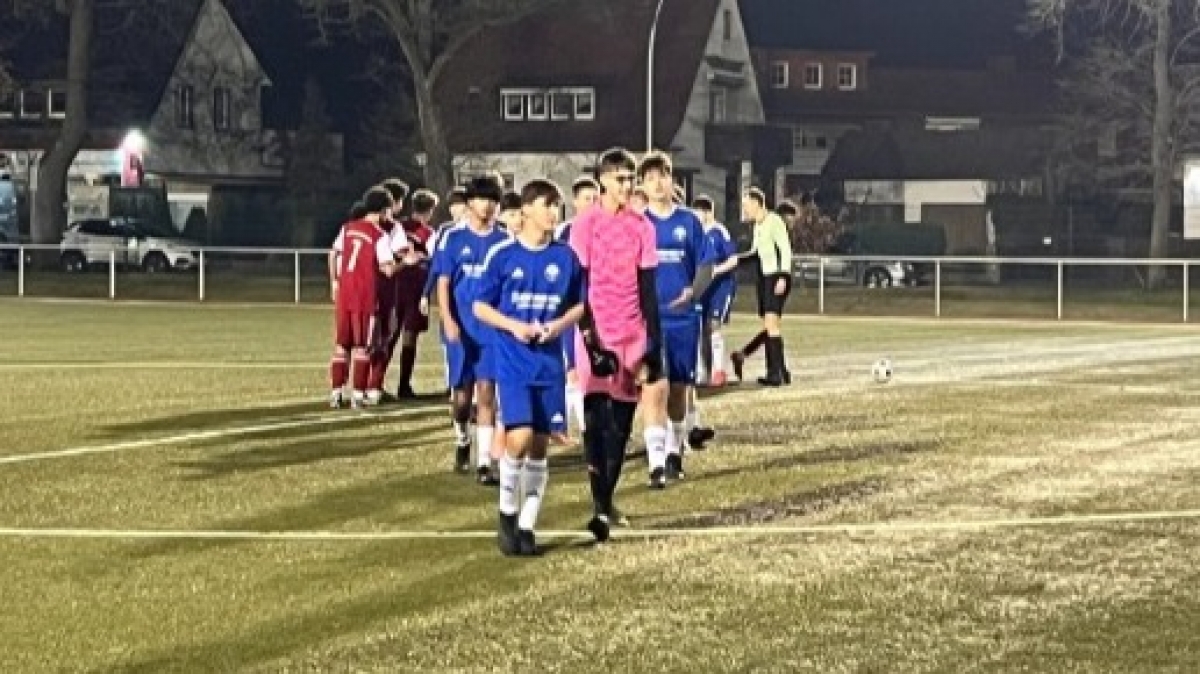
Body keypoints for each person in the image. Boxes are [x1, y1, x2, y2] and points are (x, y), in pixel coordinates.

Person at [474, 178, 585, 556]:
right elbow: (480, 306)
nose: (554, 212)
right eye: (546, 205)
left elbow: (580, 304)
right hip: (513, 362)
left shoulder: (566, 257)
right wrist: (513, 326)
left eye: (557, 206)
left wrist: (558, 325)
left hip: (549, 363)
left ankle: (527, 525)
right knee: (518, 437)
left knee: (539, 445)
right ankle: (507, 513)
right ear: (526, 211)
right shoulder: (503, 255)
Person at [568, 148, 663, 542]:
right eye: (620, 178)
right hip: (595, 333)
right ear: (603, 180)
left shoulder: (643, 227)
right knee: (595, 419)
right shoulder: (584, 225)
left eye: (630, 178)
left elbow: (648, 289)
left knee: (621, 426)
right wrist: (589, 338)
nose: (627, 185)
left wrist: (654, 344)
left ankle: (605, 501)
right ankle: (599, 506)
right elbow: (578, 284)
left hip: (631, 335)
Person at [638, 152, 716, 486]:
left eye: (664, 176)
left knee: (679, 389)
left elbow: (707, 264)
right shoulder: (638, 223)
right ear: (643, 185)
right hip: (649, 321)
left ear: (673, 181)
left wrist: (693, 293)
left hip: (683, 320)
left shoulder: (689, 222)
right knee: (654, 386)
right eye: (651, 178)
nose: (658, 183)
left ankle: (674, 452)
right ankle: (656, 463)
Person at [429, 176, 510, 483]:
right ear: (470, 202)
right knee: (462, 399)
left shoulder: (504, 240)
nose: (488, 206)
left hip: (490, 330)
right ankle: (462, 438)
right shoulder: (453, 238)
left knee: (487, 393)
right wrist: (448, 320)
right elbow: (443, 282)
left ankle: (485, 463)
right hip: (461, 328)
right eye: (482, 199)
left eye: (493, 201)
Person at [329, 187, 401, 408]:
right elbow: (387, 269)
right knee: (363, 346)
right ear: (383, 210)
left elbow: (333, 253)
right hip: (365, 296)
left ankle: (336, 393)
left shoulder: (347, 228)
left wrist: (334, 281)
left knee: (342, 346)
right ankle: (358, 395)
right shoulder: (379, 236)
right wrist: (405, 264)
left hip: (345, 294)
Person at [730, 189, 794, 386]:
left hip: (776, 277)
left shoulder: (774, 221)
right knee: (770, 326)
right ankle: (780, 370)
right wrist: (735, 260)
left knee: (771, 325)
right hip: (765, 279)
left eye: (746, 205)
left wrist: (783, 276)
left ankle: (775, 373)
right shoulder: (758, 225)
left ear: (757, 203)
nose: (744, 209)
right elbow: (755, 253)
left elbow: (785, 249)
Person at [555, 177, 600, 440]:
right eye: (586, 198)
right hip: (571, 307)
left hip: (600, 307)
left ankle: (594, 428)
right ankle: (581, 428)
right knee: (572, 369)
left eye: (595, 198)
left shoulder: (605, 227)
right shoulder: (564, 232)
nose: (592, 203)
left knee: (598, 368)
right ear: (575, 202)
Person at [391, 188, 437, 399]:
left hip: (395, 284)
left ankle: (373, 386)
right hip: (416, 287)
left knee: (390, 334)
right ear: (430, 210)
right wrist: (421, 258)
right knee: (409, 336)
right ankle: (403, 386)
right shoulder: (429, 233)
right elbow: (435, 259)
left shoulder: (398, 226)